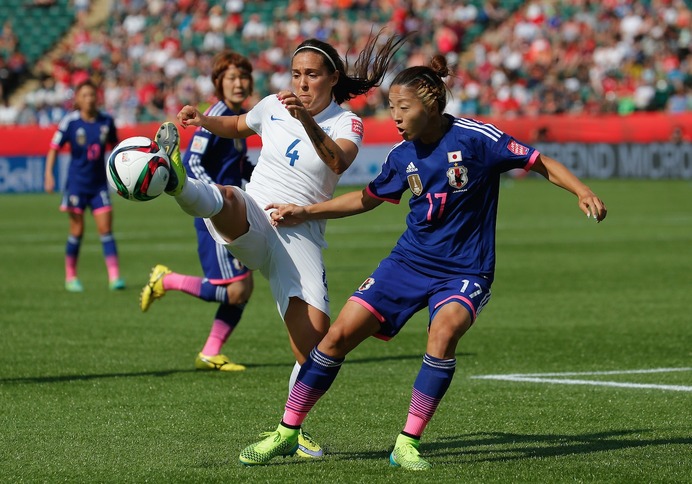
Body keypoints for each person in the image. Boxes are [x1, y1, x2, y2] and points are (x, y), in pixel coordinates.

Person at [237, 55, 608, 470]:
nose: (394, 117)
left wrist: (581, 190)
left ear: (430, 104)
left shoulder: (476, 138)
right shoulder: (401, 155)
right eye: (391, 107)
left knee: (444, 333)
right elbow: (366, 198)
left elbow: (538, 162)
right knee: (337, 337)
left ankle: (407, 443)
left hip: (466, 270)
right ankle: (287, 432)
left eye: (403, 108)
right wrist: (307, 211)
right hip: (408, 263)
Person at [151, 33, 409, 458]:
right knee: (229, 197)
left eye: (311, 75)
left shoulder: (346, 122)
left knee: (317, 349)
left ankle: (291, 429)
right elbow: (236, 125)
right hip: (256, 212)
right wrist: (201, 120)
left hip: (300, 232)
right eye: (296, 74)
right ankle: (178, 183)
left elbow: (338, 161)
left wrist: (306, 120)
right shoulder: (272, 104)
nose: (302, 83)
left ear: (332, 78)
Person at [139, 51, 256, 372]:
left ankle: (210, 352)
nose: (239, 83)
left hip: (235, 209)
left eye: (244, 77)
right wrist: (212, 198)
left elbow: (238, 164)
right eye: (232, 77)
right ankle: (168, 280)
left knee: (242, 288)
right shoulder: (216, 115)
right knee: (237, 289)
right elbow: (191, 162)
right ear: (219, 83)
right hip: (216, 213)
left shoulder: (239, 116)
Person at [44, 79, 123, 292]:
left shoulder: (107, 121)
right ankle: (71, 276)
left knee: (106, 229)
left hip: (99, 186)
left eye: (92, 94)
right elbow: (53, 148)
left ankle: (114, 277)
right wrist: (49, 174)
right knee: (76, 230)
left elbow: (117, 149)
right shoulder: (70, 122)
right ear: (78, 99)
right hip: (76, 186)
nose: (89, 99)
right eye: (84, 95)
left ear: (97, 97)